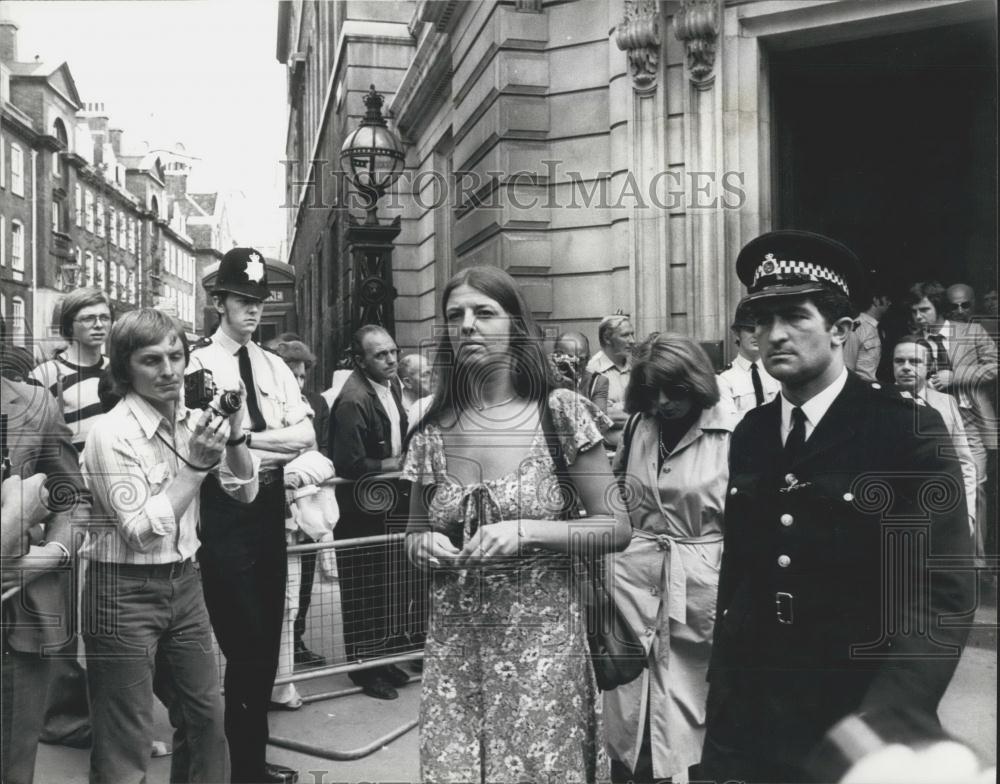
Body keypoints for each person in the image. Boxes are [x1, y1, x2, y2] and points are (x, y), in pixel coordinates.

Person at [700, 231, 974, 784]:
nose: (774, 335)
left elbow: (939, 595)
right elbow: (744, 578)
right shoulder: (751, 431)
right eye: (762, 319)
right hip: (753, 716)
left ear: (841, 329)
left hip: (856, 715)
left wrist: (886, 722)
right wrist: (725, 710)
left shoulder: (903, 430)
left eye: (795, 317)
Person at [402, 265, 629, 783]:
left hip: (542, 659)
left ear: (515, 326)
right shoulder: (430, 428)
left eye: (484, 313)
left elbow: (615, 526)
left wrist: (527, 532)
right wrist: (423, 543)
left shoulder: (561, 412)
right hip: (454, 659)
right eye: (455, 315)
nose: (467, 326)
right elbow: (413, 533)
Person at [79, 308, 256, 783]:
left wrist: (235, 430)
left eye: (176, 356)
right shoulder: (109, 434)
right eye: (152, 360)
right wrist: (196, 468)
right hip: (121, 591)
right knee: (127, 738)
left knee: (206, 719)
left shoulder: (191, 420)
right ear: (123, 368)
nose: (169, 371)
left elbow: (246, 489)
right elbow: (139, 529)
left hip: (184, 583)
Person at [186, 247, 314, 784]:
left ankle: (249, 765)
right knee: (241, 641)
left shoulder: (274, 365)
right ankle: (238, 768)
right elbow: (204, 446)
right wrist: (262, 447)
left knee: (264, 643)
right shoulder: (197, 364)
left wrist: (245, 438)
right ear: (219, 302)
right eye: (243, 300)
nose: (253, 311)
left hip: (268, 513)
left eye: (260, 301)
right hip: (222, 515)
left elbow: (306, 437)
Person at [604, 333, 737, 783]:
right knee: (629, 704)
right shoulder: (639, 425)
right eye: (651, 391)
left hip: (699, 583)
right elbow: (619, 491)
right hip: (635, 579)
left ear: (695, 382)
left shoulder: (733, 429)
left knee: (689, 709)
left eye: (674, 391)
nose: (662, 403)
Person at [1, 357, 90, 784]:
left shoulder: (36, 404)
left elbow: (72, 496)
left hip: (14, 617)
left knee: (13, 767)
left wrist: (51, 553)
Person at [328, 325, 412, 700]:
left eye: (393, 351)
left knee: (384, 585)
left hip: (387, 502)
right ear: (360, 361)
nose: (391, 360)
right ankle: (363, 669)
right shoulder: (353, 399)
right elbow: (347, 462)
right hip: (362, 508)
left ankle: (381, 660)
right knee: (362, 588)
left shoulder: (390, 386)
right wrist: (395, 462)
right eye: (380, 355)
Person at [909, 280, 997, 564]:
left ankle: (976, 561)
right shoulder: (914, 339)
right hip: (934, 423)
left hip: (970, 422)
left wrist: (955, 375)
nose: (918, 317)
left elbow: (995, 364)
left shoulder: (971, 332)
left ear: (938, 308)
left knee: (976, 487)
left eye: (923, 310)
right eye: (914, 311)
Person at [270, 338, 328, 673]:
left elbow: (320, 451)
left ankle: (297, 640)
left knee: (304, 582)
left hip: (307, 506)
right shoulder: (268, 409)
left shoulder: (314, 404)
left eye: (303, 376)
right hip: (278, 510)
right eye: (292, 375)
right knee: (281, 587)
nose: (298, 382)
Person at [891, 335, 977, 538]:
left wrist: (968, 515)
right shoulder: (875, 403)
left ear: (929, 366)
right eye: (899, 361)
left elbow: (964, 463)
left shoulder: (946, 403)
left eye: (915, 361)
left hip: (941, 511)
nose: (905, 367)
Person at [30, 287, 112, 452]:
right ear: (68, 326)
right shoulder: (46, 375)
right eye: (88, 318)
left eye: (104, 317)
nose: (98, 325)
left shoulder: (116, 369)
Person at [717, 301, 780, 415]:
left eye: (761, 329)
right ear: (737, 333)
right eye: (750, 330)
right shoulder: (724, 379)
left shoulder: (778, 373)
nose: (756, 335)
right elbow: (729, 425)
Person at [587, 313, 636, 445]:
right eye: (625, 335)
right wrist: (638, 416)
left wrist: (617, 408)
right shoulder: (592, 370)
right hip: (609, 448)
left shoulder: (636, 365)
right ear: (607, 338)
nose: (632, 340)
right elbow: (600, 415)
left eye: (632, 334)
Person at [843, 275, 891, 382]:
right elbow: (848, 367)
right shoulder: (857, 328)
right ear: (876, 300)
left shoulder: (879, 330)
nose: (890, 303)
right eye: (887, 299)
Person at [551, 331, 610, 412]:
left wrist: (573, 387)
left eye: (580, 359)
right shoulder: (546, 377)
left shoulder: (597, 381)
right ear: (555, 356)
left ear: (588, 358)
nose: (575, 364)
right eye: (568, 358)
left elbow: (599, 420)